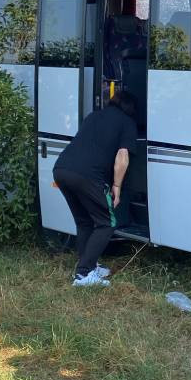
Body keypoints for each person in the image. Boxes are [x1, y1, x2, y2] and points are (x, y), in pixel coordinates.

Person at [53, 90, 139, 287]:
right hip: (88, 176)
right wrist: (117, 186)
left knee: (84, 221)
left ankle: (88, 265)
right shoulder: (127, 123)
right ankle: (83, 274)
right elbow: (122, 157)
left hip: (61, 170)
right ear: (131, 108)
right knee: (106, 223)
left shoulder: (93, 116)